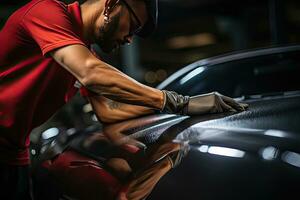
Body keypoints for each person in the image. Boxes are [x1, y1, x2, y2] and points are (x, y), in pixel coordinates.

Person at [0, 0, 248, 199]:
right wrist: (180, 102)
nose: (130, 38)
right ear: (110, 5)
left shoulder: (82, 51)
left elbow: (108, 112)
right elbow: (90, 73)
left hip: (14, 153)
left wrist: (171, 152)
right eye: (134, 26)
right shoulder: (44, 12)